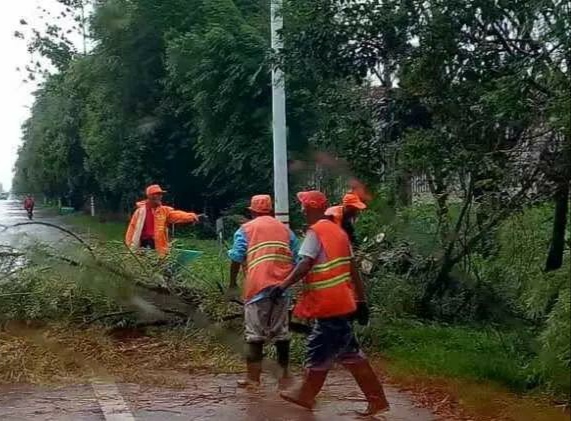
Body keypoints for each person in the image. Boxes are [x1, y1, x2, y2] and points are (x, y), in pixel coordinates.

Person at [269, 190, 389, 416]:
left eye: (304, 206)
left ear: (313, 207)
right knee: (348, 353)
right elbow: (354, 270)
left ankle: (306, 394)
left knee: (322, 347)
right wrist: (361, 301)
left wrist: (282, 286)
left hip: (329, 304)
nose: (302, 209)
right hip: (342, 301)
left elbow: (304, 264)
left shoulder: (316, 232)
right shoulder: (339, 233)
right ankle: (376, 399)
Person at [227, 194, 299, 389]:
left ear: (252, 211)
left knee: (254, 334)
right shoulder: (286, 230)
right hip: (282, 288)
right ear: (272, 211)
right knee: (281, 333)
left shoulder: (246, 229)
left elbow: (236, 257)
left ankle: (253, 378)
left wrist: (232, 283)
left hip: (257, 288)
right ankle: (284, 376)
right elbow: (298, 260)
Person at [125, 184, 201, 257]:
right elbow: (132, 228)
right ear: (149, 196)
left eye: (161, 194)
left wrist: (192, 216)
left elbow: (177, 215)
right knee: (142, 263)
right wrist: (129, 244)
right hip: (142, 243)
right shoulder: (140, 212)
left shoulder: (164, 211)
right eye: (157, 194)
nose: (160, 196)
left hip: (157, 243)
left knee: (158, 262)